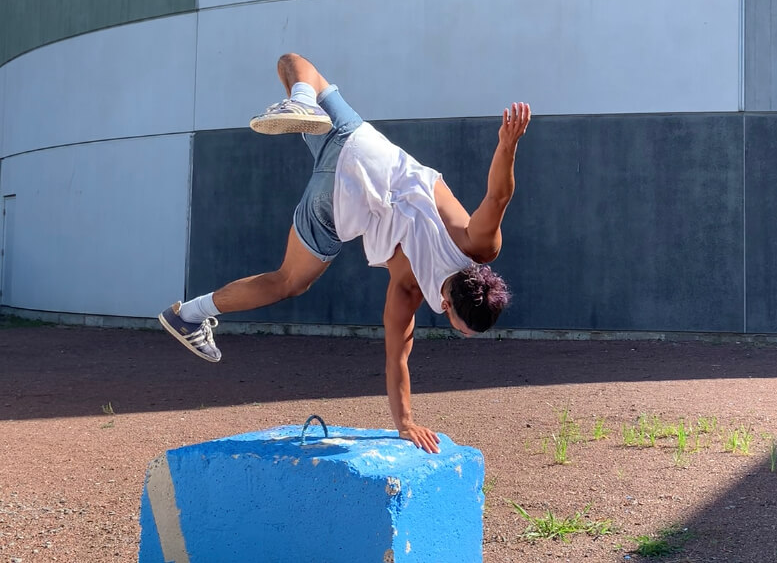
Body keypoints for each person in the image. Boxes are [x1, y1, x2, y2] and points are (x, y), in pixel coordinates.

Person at [159, 53, 531, 453]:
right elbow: (397, 361)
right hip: (335, 202)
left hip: (359, 145)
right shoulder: (408, 289)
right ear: (446, 303)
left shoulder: (479, 246)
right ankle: (188, 315)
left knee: (295, 64)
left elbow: (499, 195)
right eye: (460, 326)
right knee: (287, 281)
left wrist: (507, 144)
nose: (457, 329)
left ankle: (301, 98)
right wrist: (405, 423)